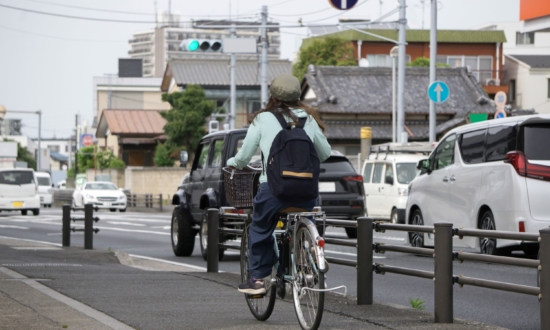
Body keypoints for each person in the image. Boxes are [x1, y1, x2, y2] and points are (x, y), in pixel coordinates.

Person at [226, 73, 331, 295]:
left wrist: (233, 162)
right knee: (308, 218)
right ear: (298, 95)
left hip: (273, 190)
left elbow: (244, 156)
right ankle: (309, 255)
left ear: (272, 95)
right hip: (306, 191)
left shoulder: (263, 119)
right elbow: (325, 153)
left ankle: (257, 280)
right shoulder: (309, 119)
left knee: (260, 227)